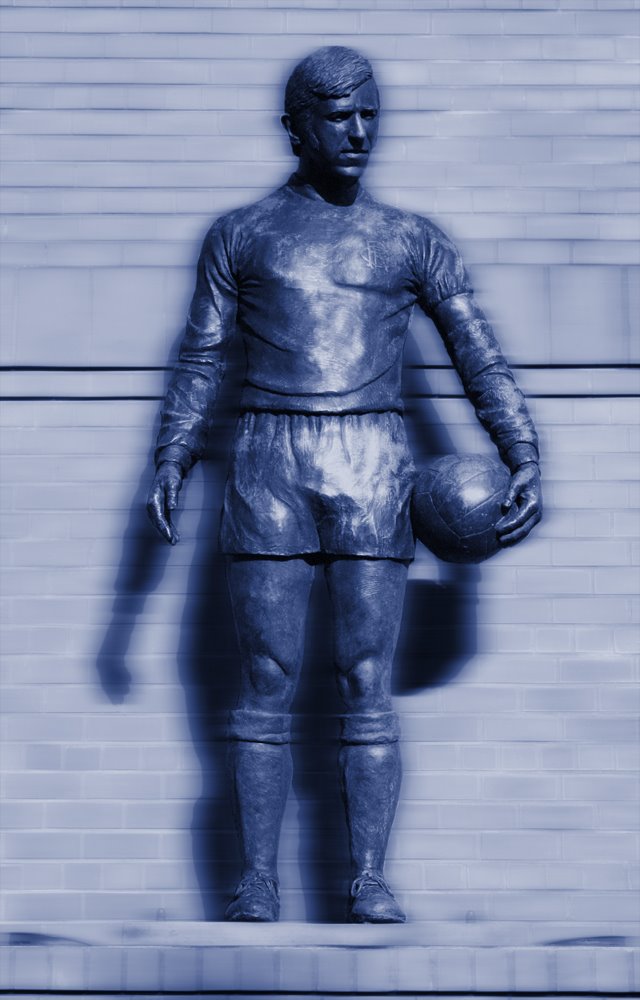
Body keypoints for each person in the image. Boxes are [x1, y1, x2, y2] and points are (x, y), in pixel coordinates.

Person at [147, 46, 542, 923]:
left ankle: (367, 876)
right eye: (338, 117)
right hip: (268, 456)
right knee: (265, 676)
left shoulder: (410, 239)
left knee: (367, 677)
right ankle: (255, 876)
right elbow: (203, 356)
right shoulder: (242, 235)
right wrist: (173, 452)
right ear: (297, 126)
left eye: (370, 114)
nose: (359, 132)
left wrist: (522, 448)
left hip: (372, 458)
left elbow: (475, 350)